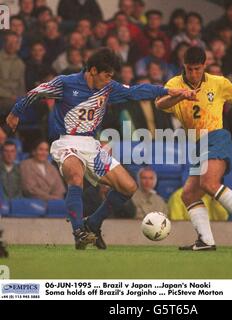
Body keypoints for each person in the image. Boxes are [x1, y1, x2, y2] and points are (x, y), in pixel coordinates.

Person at [6, 48, 195, 250]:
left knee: (128, 187)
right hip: (67, 143)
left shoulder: (109, 87)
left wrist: (167, 91)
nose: (109, 79)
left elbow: (136, 91)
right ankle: (79, 231)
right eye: (106, 75)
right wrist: (15, 113)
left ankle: (93, 223)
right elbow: (36, 92)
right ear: (93, 70)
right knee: (75, 178)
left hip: (92, 145)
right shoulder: (65, 83)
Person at [156, 47, 232, 251]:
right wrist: (180, 96)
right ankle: (206, 241)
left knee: (208, 182)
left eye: (197, 69)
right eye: (189, 69)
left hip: (217, 137)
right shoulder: (174, 84)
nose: (193, 74)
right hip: (197, 145)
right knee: (188, 194)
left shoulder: (219, 82)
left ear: (204, 66)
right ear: (184, 67)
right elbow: (160, 104)